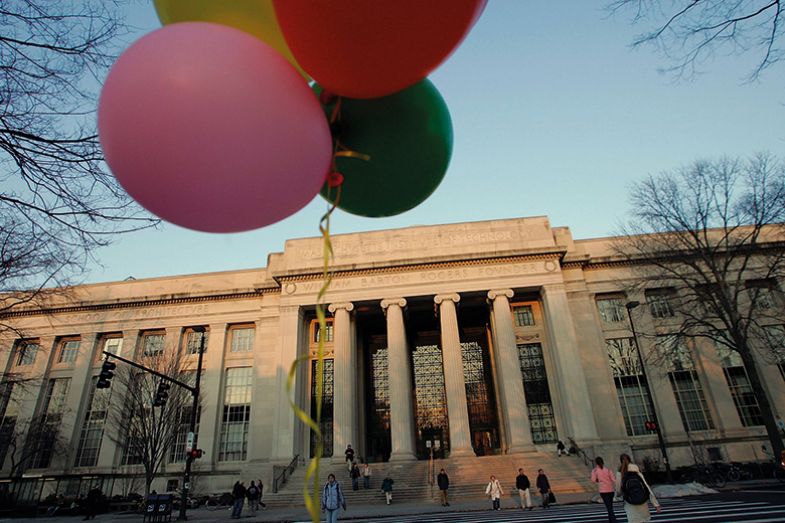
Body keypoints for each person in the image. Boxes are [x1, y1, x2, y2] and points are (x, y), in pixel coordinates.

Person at [618, 453, 661, 523]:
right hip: (642, 501)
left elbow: (618, 490)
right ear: (630, 459)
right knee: (644, 520)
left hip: (630, 503)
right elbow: (646, 487)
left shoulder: (620, 472)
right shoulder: (636, 469)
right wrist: (656, 504)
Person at [592, 457, 618, 523]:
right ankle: (611, 520)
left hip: (603, 491)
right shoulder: (608, 470)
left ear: (596, 463)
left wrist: (598, 480)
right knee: (610, 506)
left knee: (609, 507)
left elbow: (593, 480)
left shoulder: (595, 471)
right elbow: (613, 479)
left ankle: (614, 521)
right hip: (610, 490)